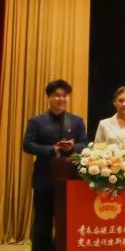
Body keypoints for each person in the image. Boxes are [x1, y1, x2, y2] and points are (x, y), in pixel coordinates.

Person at [22, 79, 89, 251]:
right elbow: (27, 145)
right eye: (57, 95)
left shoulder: (76, 121)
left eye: (65, 96)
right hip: (45, 178)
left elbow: (85, 143)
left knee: (68, 221)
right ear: (49, 97)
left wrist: (72, 147)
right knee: (42, 222)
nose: (61, 99)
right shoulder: (37, 121)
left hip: (70, 179)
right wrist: (51, 149)